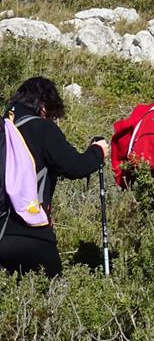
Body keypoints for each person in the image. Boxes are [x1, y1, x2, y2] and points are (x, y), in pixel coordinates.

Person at [0, 77, 108, 277]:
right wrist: (98, 152)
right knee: (51, 289)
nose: (52, 119)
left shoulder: (5, 129)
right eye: (51, 114)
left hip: (1, 230)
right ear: (43, 106)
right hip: (30, 234)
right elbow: (75, 166)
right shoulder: (41, 128)